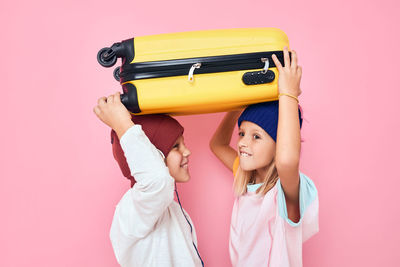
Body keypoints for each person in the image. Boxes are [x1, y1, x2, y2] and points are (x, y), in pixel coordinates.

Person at [209, 47, 319, 266]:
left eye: (256, 137)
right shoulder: (246, 177)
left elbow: (287, 160)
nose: (241, 143)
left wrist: (288, 94)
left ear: (279, 145)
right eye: (241, 134)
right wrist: (236, 107)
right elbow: (218, 144)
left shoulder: (284, 192)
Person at [93, 92, 204, 267]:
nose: (187, 151)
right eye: (176, 146)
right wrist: (122, 125)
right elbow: (158, 179)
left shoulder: (173, 210)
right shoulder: (133, 208)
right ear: (155, 155)